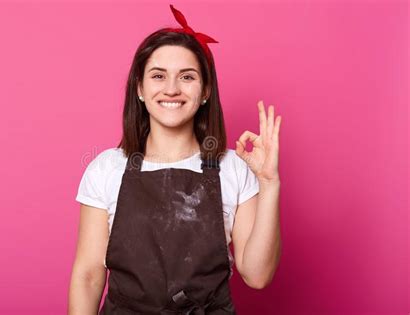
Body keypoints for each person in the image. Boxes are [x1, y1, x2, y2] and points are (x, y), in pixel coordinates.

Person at [68, 4, 282, 315]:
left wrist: (269, 183)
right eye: (158, 76)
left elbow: (258, 275)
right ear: (140, 88)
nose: (171, 89)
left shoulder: (233, 168)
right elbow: (88, 276)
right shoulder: (106, 168)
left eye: (187, 76)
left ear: (205, 89)